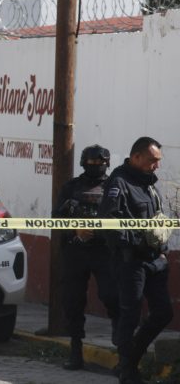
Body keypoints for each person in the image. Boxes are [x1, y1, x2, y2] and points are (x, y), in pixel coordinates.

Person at [99, 137, 173, 384]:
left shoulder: (149, 184)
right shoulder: (119, 182)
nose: (156, 166)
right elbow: (109, 224)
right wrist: (135, 242)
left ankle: (127, 361)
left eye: (158, 161)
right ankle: (128, 372)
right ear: (136, 157)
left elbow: (156, 220)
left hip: (154, 260)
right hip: (131, 262)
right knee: (129, 316)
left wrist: (161, 250)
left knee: (163, 312)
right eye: (152, 160)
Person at [53, 144, 119, 371]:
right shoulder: (71, 188)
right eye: (91, 164)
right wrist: (75, 230)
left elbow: (124, 218)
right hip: (76, 252)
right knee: (72, 302)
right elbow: (56, 218)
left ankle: (122, 353)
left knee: (113, 297)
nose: (96, 168)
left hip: (105, 251)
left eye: (100, 164)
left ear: (107, 165)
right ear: (83, 164)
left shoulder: (114, 188)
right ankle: (75, 352)